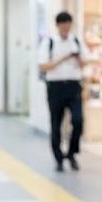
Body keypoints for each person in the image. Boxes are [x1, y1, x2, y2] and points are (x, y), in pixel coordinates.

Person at [38, 11, 89, 172]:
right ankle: (58, 158)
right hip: (56, 87)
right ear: (58, 25)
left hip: (74, 85)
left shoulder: (77, 41)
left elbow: (86, 62)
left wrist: (78, 59)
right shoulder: (49, 42)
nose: (66, 28)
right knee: (56, 123)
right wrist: (63, 58)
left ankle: (72, 152)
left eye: (69, 24)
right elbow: (43, 66)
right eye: (64, 24)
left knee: (78, 120)